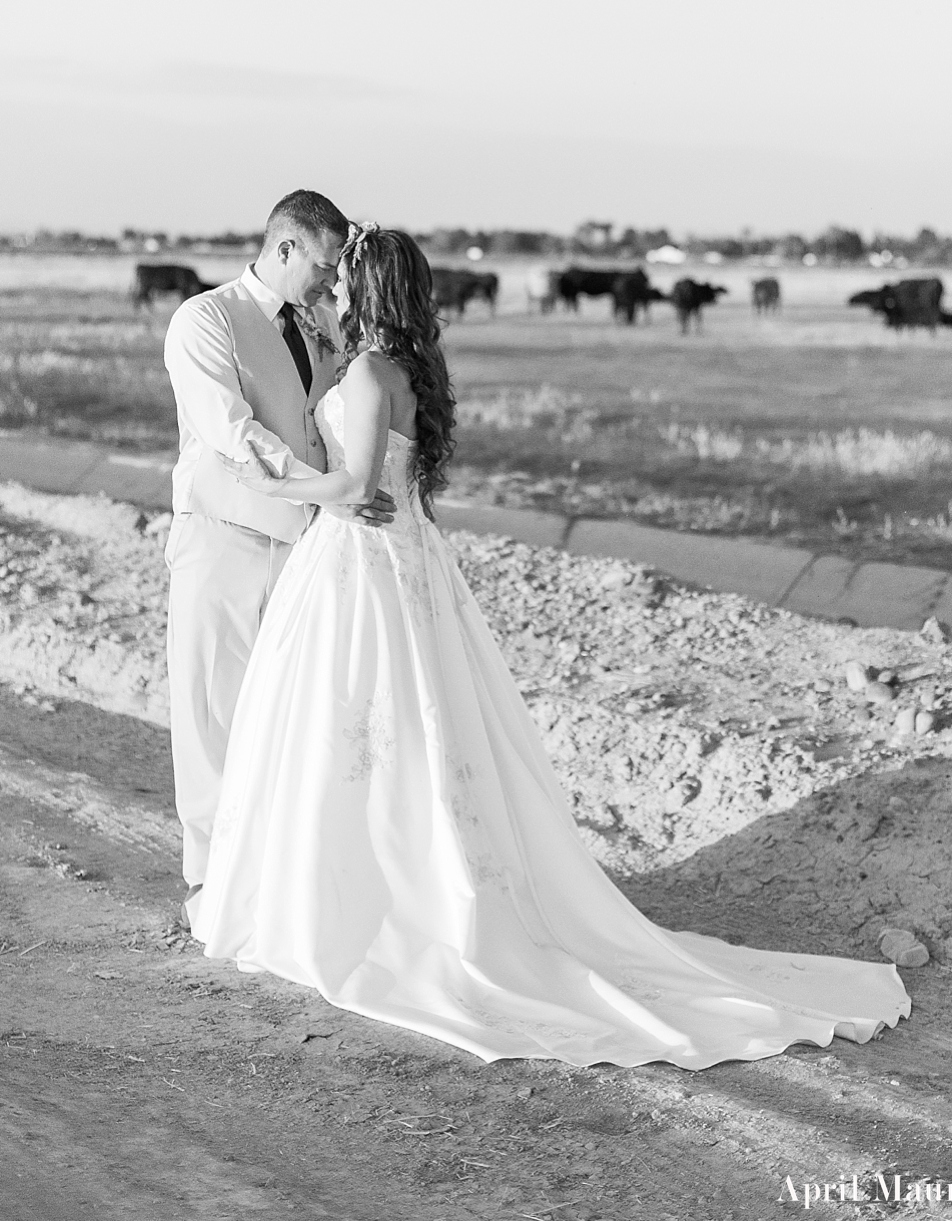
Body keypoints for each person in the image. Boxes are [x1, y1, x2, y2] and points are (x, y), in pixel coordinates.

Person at [190, 223, 910, 1069]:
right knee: (399, 726)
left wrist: (272, 481)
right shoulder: (409, 366)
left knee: (347, 722)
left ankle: (351, 897)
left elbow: (352, 487)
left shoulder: (366, 370)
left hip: (359, 559)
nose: (333, 291)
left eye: (343, 278)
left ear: (367, 286)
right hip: (406, 559)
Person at [162, 190, 395, 921]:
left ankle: (276, 882)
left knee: (287, 722)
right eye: (323, 268)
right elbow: (235, 437)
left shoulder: (323, 323)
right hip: (222, 541)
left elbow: (329, 423)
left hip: (305, 553)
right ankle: (209, 888)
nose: (331, 285)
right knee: (212, 716)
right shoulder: (204, 320)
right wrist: (330, 492)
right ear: (285, 247)